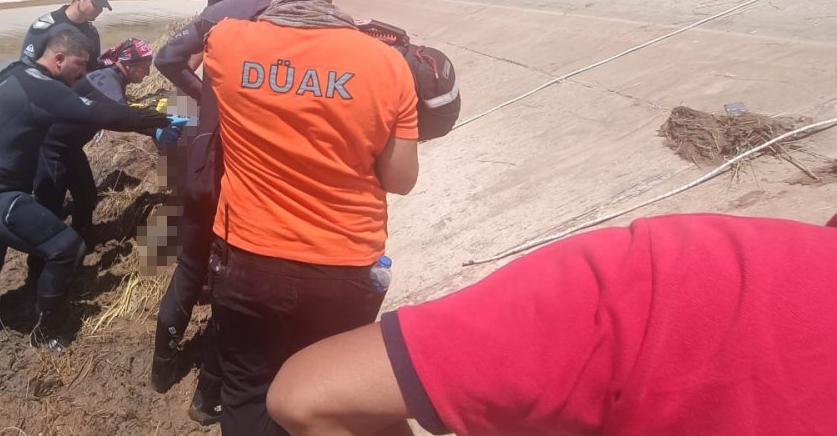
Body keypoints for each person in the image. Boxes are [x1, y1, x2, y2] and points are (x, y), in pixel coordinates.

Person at [267, 213, 837, 436]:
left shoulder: (683, 273)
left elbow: (310, 395)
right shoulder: (379, 63)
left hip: (245, 247)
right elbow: (401, 169)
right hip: (342, 256)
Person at [204, 0, 421, 435]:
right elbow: (400, 179)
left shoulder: (226, 42)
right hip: (341, 266)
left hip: (245, 259)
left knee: (247, 390)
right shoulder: (387, 65)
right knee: (324, 396)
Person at [0, 27, 173, 350]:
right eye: (80, 65)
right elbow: (100, 113)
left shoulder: (15, 73)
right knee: (67, 248)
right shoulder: (44, 90)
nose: (84, 73)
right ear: (58, 59)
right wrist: (158, 120)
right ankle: (45, 332)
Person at [152, 0, 274, 424]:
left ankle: (161, 369)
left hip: (201, 165)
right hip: (240, 180)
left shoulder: (223, 12)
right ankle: (207, 396)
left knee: (188, 267)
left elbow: (166, 58)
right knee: (231, 280)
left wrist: (206, 94)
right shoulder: (295, 20)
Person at [32, 37, 155, 255]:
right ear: (128, 65)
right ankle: (43, 262)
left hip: (69, 147)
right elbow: (123, 119)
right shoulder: (108, 84)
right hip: (50, 148)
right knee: (50, 207)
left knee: (87, 195)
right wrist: (159, 126)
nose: (147, 75)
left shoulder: (112, 77)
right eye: (144, 69)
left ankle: (81, 239)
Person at [20, 0, 110, 64]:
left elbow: (93, 70)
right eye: (96, 4)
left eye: (102, 6)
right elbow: (25, 65)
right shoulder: (45, 26)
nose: (100, 10)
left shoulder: (92, 33)